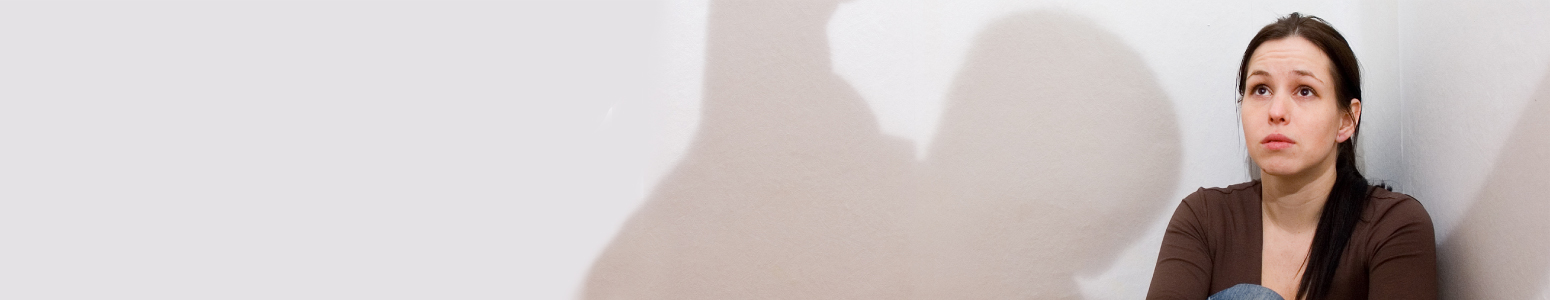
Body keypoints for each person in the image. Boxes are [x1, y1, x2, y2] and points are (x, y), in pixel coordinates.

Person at [1145, 13, 1437, 300]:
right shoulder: (1205, 217)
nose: (1276, 111)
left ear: (1346, 120)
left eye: (1305, 91)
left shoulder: (1393, 225)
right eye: (1261, 89)